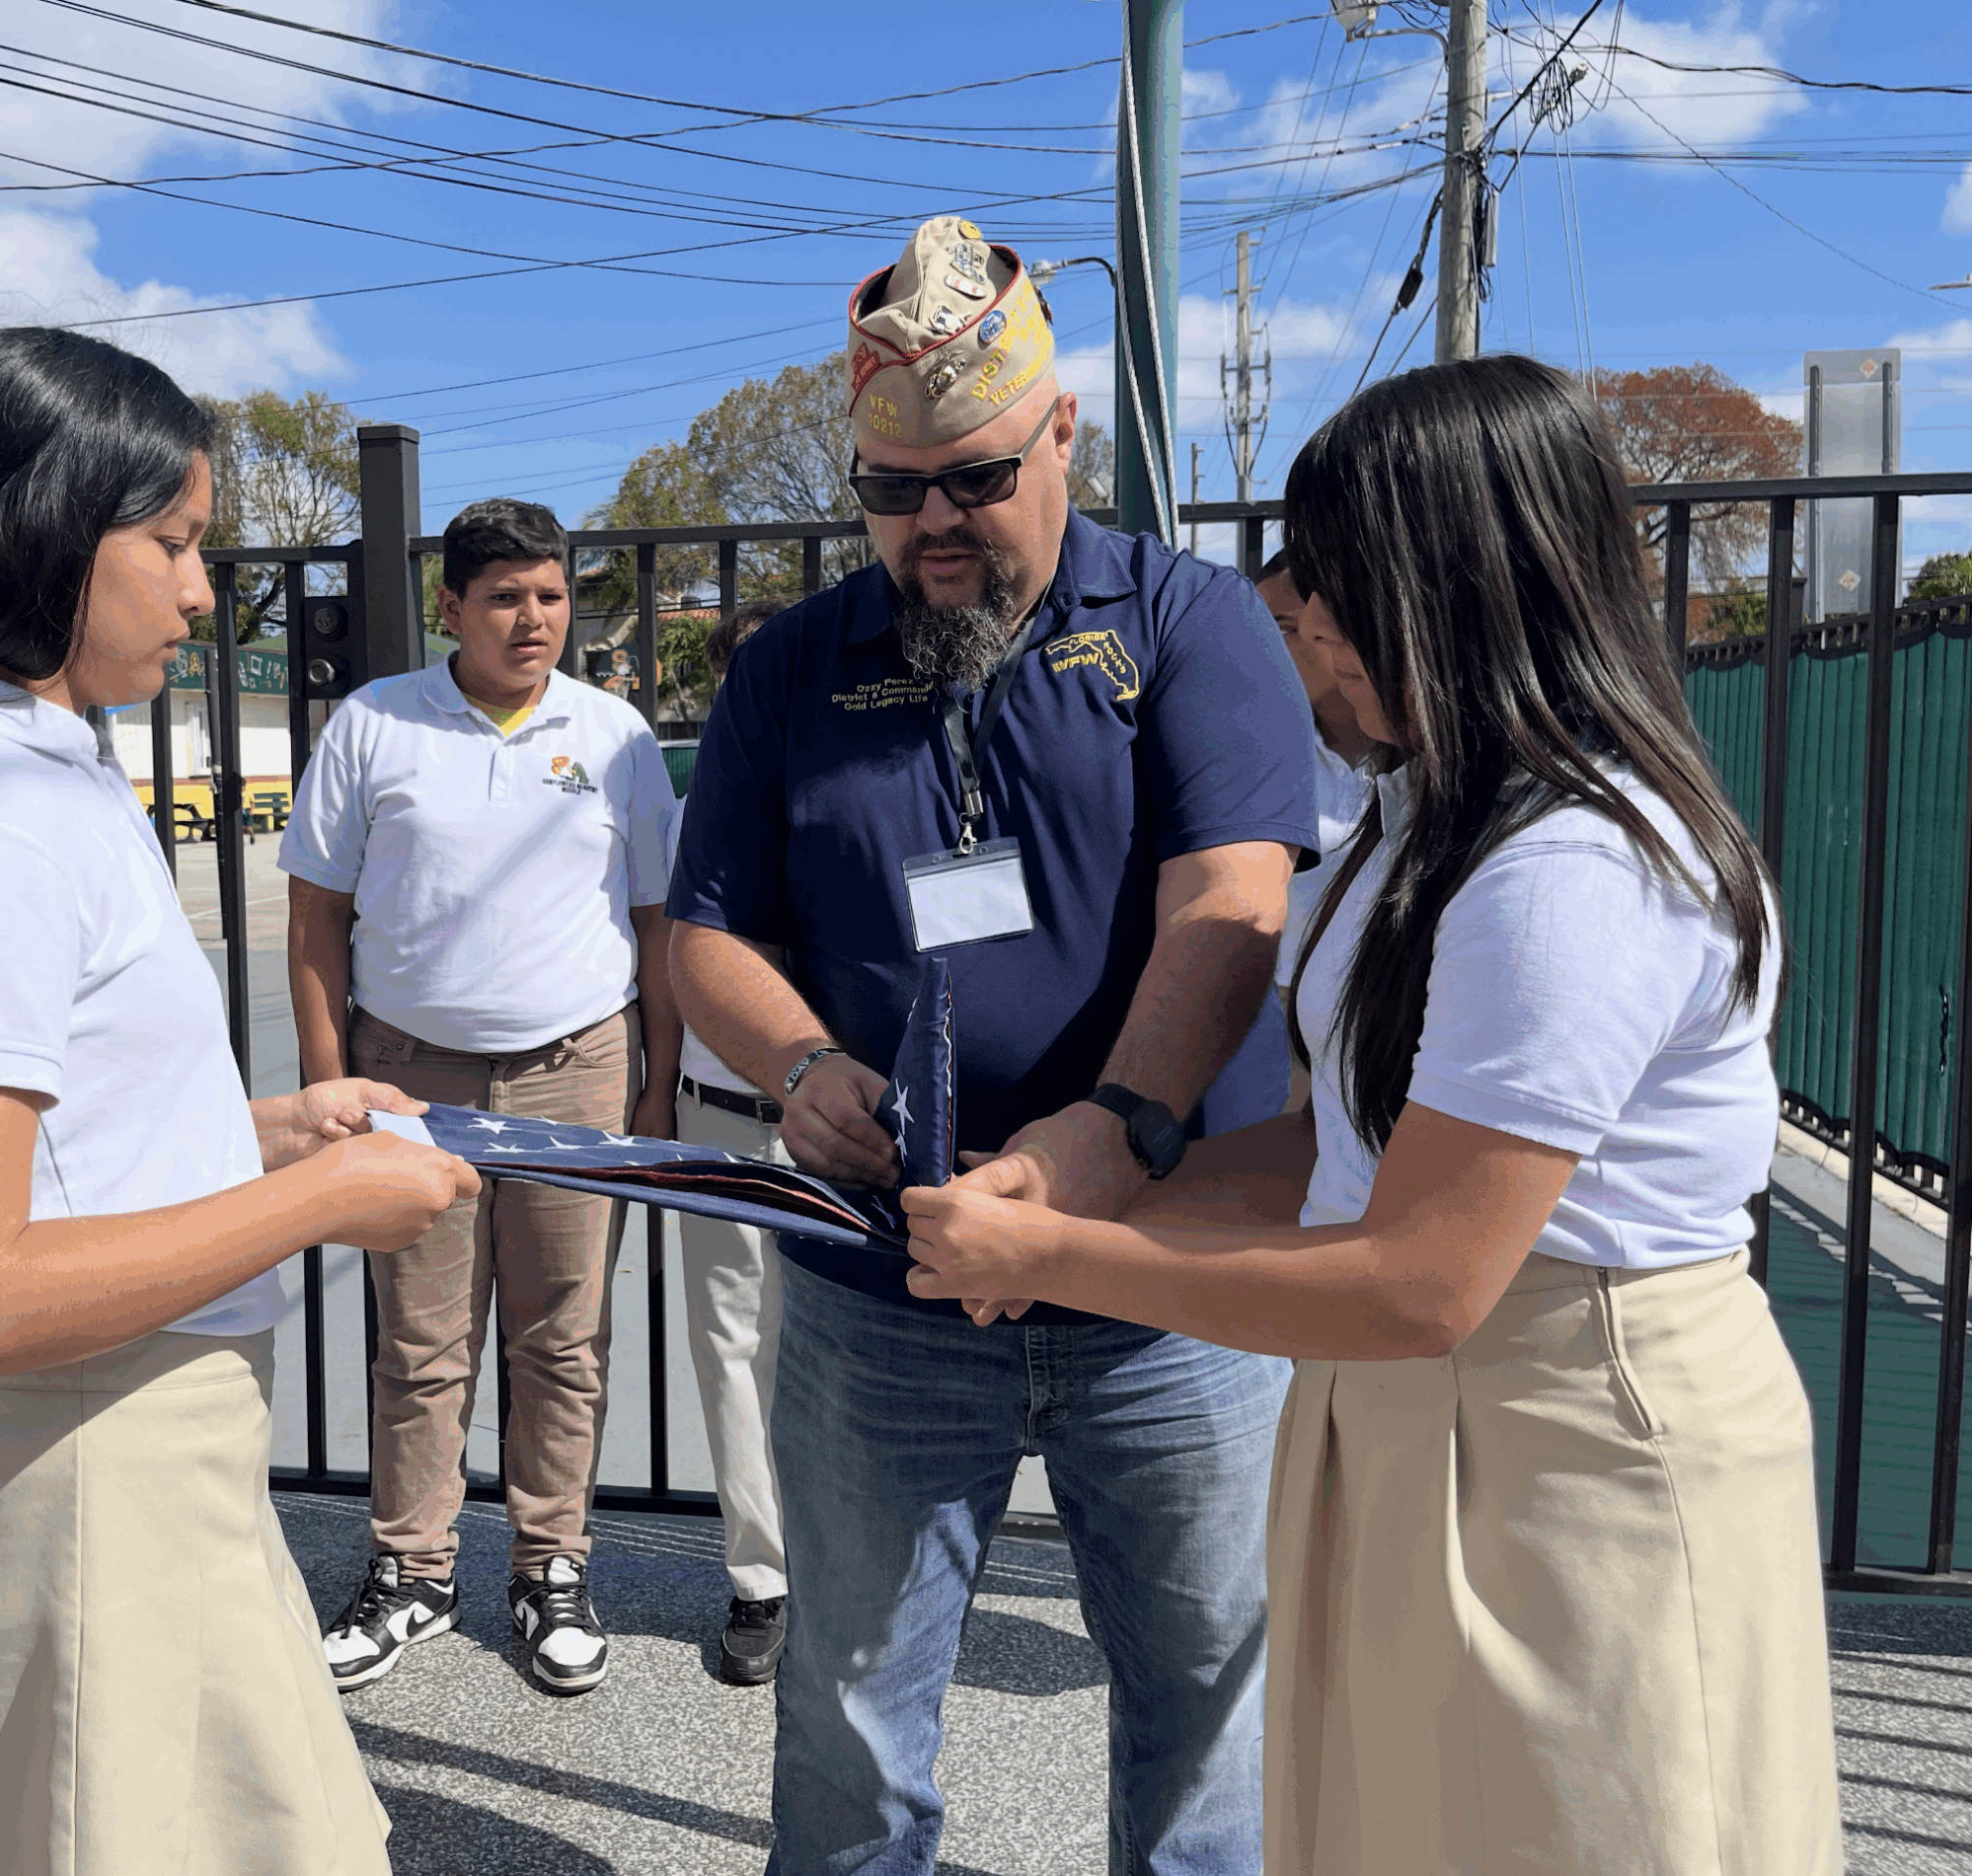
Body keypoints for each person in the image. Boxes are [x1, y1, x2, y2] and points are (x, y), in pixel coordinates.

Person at [902, 354, 1841, 1876]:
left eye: (1333, 586)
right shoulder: (1440, 823)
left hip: (1569, 1425)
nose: (1311, 628)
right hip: (1439, 1412)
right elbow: (1343, 1144)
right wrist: (1084, 1189)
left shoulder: (1574, 872)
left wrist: (1052, 1259)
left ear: (1450, 586)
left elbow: (1420, 1278)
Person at [0, 327, 478, 1874]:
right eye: (175, 543)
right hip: (95, 1484)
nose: (202, 591)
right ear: (45, 533)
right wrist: (318, 1201)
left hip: (140, 1466)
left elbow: (55, 1150)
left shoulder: (26, 763)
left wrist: (267, 1135)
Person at [668, 215, 1321, 1872]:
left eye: (974, 479)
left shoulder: (1186, 622)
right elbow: (707, 935)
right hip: (883, 1284)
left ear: (1062, 435)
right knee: (851, 1717)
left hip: (1163, 1277)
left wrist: (1115, 1127)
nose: (937, 526)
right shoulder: (793, 667)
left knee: (1205, 1714)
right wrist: (803, 1069)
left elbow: (1231, 900)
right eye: (894, 494)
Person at [284, 498, 679, 1697]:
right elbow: (315, 917)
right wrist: (327, 1083)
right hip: (411, 1078)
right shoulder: (374, 724)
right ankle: (412, 1568)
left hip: (577, 1066)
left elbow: (655, 918)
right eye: (505, 596)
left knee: (563, 1334)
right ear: (449, 605)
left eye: (550, 594)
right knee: (419, 1338)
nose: (533, 617)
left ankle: (551, 1561)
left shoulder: (614, 733)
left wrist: (657, 1081)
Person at [666, 598, 791, 1687]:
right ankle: (762, 1578)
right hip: (717, 1117)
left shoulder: (864, 793)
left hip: (844, 1129)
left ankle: (855, 1567)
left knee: (850, 1356)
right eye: (738, 674)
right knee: (731, 1349)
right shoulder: (688, 811)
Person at [1253, 548, 1374, 1102]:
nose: (1264, 645)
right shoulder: (1257, 747)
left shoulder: (1422, 760)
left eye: (1284, 627)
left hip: (1381, 1016)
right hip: (1271, 1014)